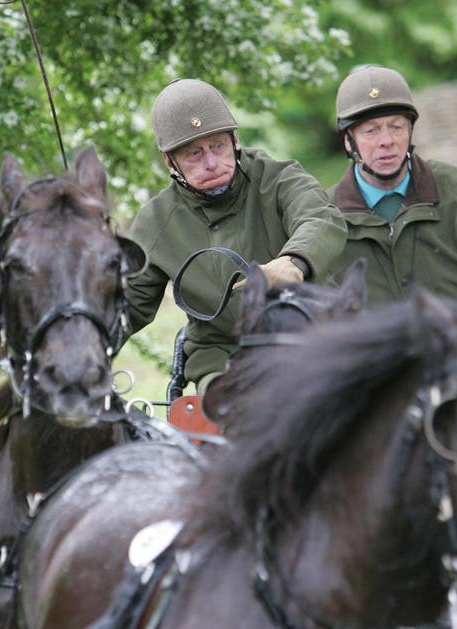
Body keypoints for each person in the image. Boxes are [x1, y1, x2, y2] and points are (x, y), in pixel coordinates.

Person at [125, 78, 346, 394]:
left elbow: (322, 217)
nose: (211, 163)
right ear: (169, 161)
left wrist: (293, 262)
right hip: (223, 360)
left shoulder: (279, 177)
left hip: (314, 336)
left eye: (218, 146)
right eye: (194, 154)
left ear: (235, 140)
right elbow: (126, 306)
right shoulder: (155, 221)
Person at [328, 64, 457, 306]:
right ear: (349, 142)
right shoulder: (326, 220)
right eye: (371, 131)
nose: (387, 141)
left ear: (410, 131)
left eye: (396, 127)